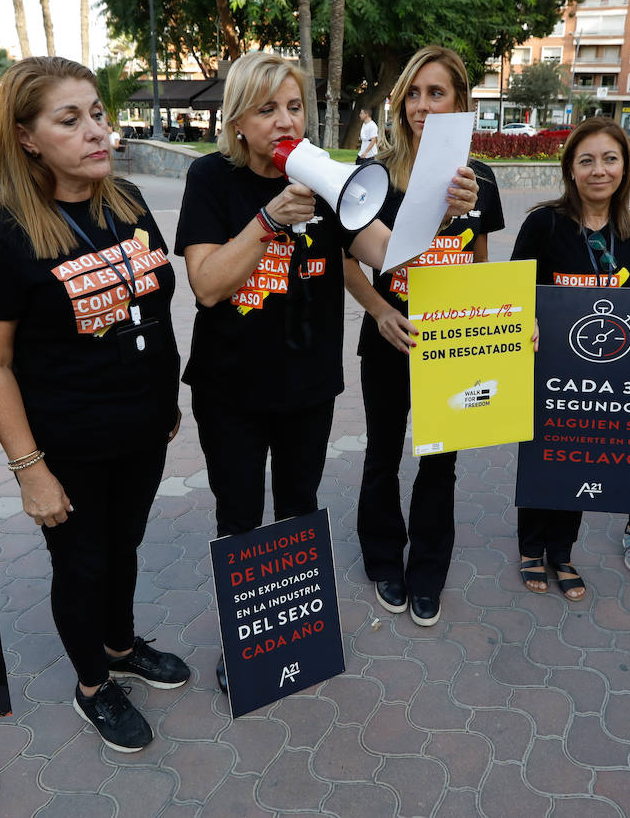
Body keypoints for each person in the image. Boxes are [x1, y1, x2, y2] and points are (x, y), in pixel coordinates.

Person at [174, 51, 475, 688]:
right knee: (239, 514)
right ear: (237, 123)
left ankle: (288, 635)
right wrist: (266, 221)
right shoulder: (211, 181)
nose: (285, 121)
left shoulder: (326, 179)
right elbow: (206, 286)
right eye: (267, 109)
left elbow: (390, 254)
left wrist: (443, 212)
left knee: (299, 504)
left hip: (308, 385)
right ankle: (245, 642)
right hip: (232, 386)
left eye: (294, 107)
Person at [0, 57, 188, 754]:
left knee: (124, 548)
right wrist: (29, 469)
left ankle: (119, 646)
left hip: (142, 427)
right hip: (69, 441)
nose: (96, 130)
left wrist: (165, 398)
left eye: (96, 113)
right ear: (27, 137)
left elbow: (153, 307)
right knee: (82, 565)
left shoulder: (126, 199)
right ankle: (93, 684)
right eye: (71, 119)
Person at [343, 47, 506, 624]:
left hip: (455, 344)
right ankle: (383, 557)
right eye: (412, 93)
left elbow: (480, 261)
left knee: (441, 461)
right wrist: (378, 311)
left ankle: (429, 569)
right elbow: (346, 259)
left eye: (435, 93)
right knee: (383, 453)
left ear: (460, 102)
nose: (420, 105)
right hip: (391, 335)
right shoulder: (376, 174)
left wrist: (501, 324)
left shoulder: (479, 180)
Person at [511, 118, 630, 592]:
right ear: (570, 169)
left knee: (583, 458)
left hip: (606, 369)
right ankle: (532, 546)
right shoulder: (544, 223)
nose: (599, 170)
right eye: (586, 160)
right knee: (545, 454)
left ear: (625, 167)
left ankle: (563, 552)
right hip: (549, 364)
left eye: (610, 159)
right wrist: (524, 316)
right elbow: (515, 287)